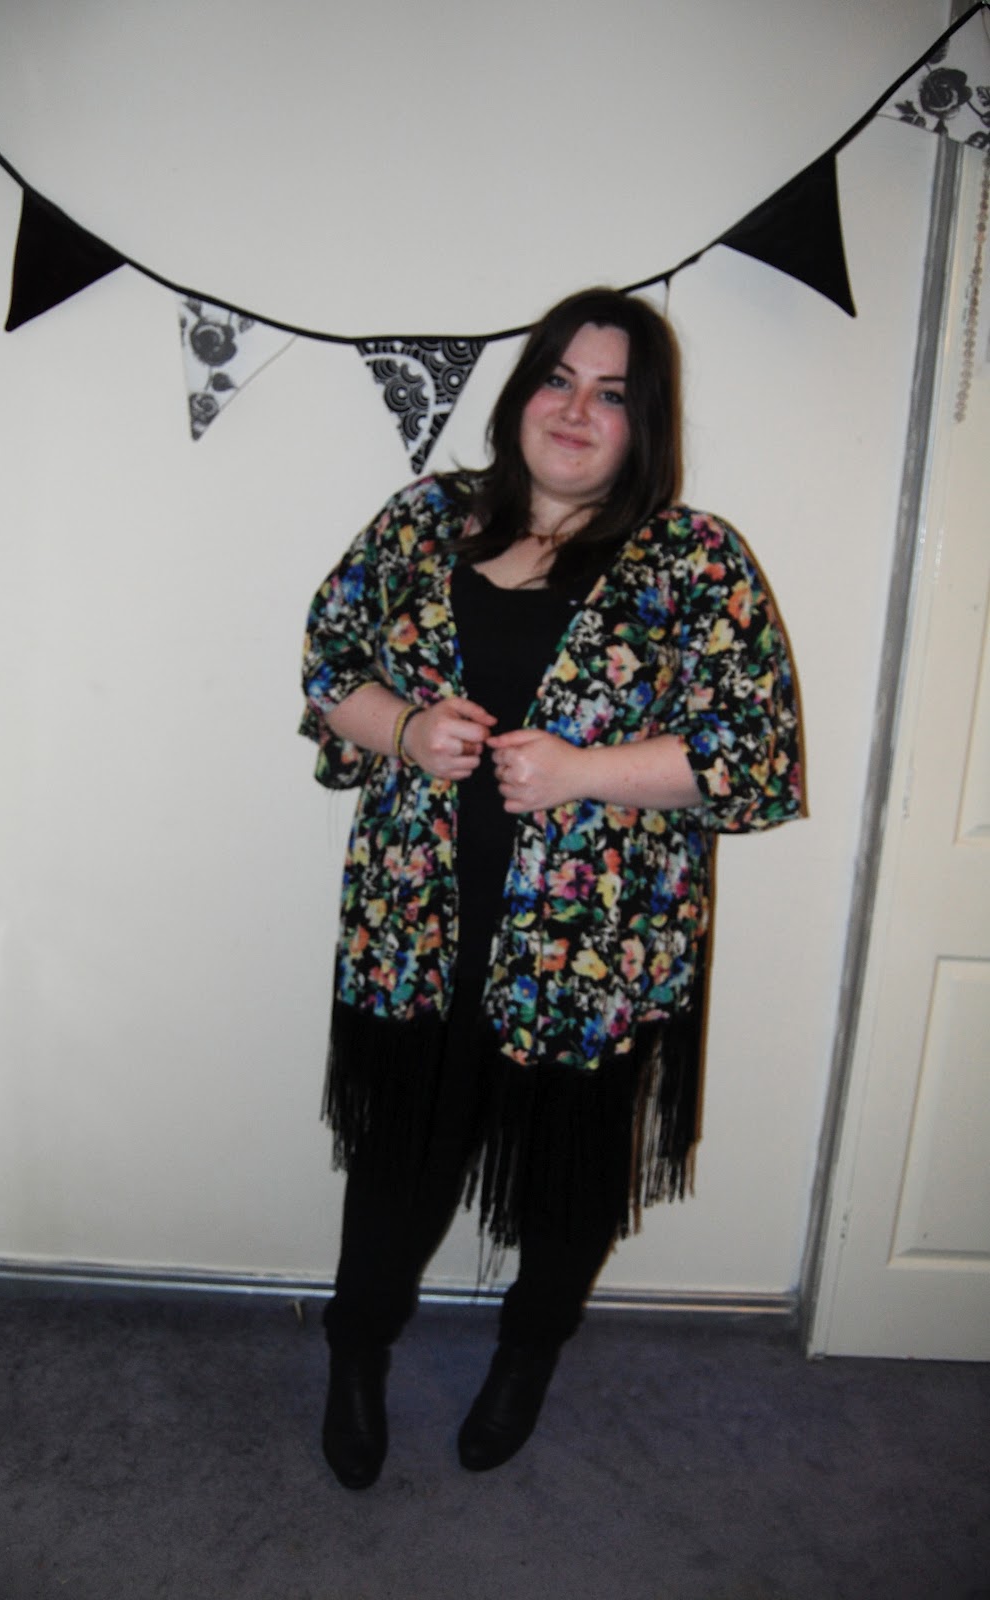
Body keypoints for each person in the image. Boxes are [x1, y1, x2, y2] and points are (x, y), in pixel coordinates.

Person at [300, 286, 802, 1489]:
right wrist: (406, 727)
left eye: (610, 393)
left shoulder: (693, 559)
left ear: (644, 421)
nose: (576, 410)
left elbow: (755, 758)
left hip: (593, 951)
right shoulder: (426, 520)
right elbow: (329, 664)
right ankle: (355, 1351)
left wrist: (582, 770)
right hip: (416, 928)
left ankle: (526, 1354)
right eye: (557, 379)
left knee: (567, 1184)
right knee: (395, 1171)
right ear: (521, 392)